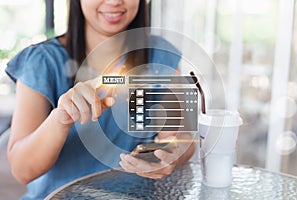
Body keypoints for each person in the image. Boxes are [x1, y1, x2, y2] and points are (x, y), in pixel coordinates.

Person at [5, 0, 195, 199]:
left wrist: (171, 153)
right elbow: (22, 171)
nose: (114, 2)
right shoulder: (41, 62)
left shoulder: (162, 55)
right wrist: (61, 118)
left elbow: (183, 139)